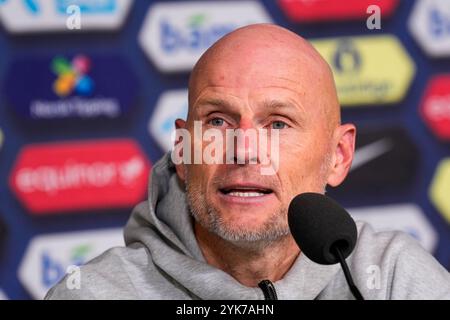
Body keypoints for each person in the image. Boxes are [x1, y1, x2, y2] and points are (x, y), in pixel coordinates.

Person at [46, 24, 450, 300]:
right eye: (218, 121)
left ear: (339, 156)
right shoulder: (97, 292)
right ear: (183, 150)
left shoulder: (393, 280)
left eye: (277, 123)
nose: (244, 149)